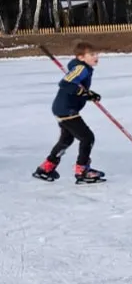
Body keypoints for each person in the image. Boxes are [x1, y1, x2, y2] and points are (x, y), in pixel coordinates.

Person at [33, 41, 106, 184]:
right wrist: (84, 93)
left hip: (62, 108)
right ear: (81, 57)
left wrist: (89, 94)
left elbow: (76, 86)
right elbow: (65, 84)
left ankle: (46, 168)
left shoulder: (82, 68)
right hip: (67, 110)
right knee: (87, 138)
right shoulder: (81, 68)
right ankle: (82, 170)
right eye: (91, 54)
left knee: (67, 140)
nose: (96, 57)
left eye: (96, 54)